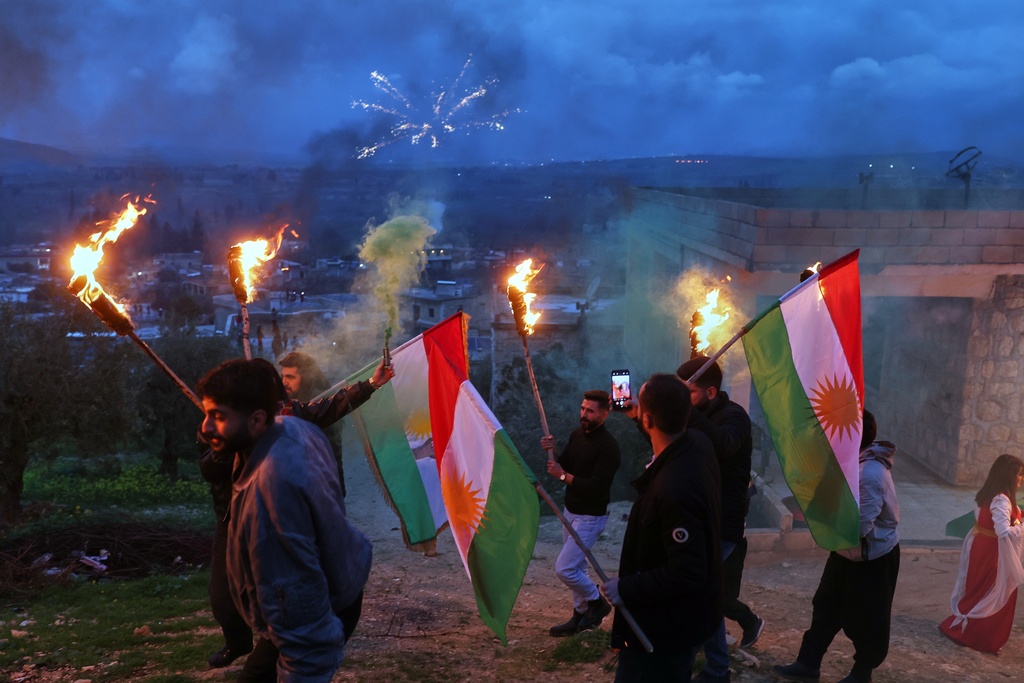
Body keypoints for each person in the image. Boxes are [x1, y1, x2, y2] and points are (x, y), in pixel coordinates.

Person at [200, 357, 393, 670]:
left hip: (307, 602)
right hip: (231, 519)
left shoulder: (292, 431)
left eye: (217, 415)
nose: (207, 425)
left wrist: (371, 384)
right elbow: (209, 469)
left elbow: (332, 407)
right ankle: (238, 642)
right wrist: (225, 445)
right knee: (224, 597)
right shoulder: (224, 428)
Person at [601, 373, 722, 681]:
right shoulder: (699, 444)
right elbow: (667, 443)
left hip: (661, 632)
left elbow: (687, 571)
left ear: (649, 419)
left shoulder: (674, 488)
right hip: (683, 623)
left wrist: (625, 588)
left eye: (642, 409)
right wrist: (640, 416)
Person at [774, 410, 900, 683]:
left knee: (868, 618)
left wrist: (822, 516)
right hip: (845, 553)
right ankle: (808, 664)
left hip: (871, 558)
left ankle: (861, 674)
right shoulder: (850, 465)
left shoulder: (870, 474)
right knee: (825, 607)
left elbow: (858, 528)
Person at [677, 356, 764, 683]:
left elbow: (724, 445)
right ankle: (714, 666)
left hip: (722, 521)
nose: (683, 399)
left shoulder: (734, 417)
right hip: (696, 517)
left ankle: (712, 668)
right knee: (703, 596)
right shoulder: (694, 416)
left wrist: (688, 414)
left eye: (688, 392)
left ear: (710, 392)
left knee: (700, 596)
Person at [543, 389, 622, 636]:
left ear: (604, 415)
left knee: (565, 568)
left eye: (590, 411)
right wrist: (552, 451)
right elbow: (564, 464)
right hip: (571, 510)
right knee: (578, 567)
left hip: (591, 517)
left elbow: (596, 486)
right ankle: (579, 615)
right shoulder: (577, 434)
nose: (584, 414)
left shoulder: (609, 447)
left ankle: (597, 602)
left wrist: (562, 476)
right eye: (582, 408)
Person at [939, 453, 1024, 654]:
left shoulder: (991, 494)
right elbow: (1003, 532)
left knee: (978, 589)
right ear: (1008, 476)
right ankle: (979, 636)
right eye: (1019, 474)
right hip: (992, 552)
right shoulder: (1001, 500)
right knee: (992, 591)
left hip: (982, 546)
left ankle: (970, 629)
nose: (1021, 478)